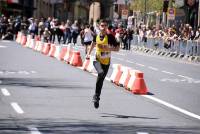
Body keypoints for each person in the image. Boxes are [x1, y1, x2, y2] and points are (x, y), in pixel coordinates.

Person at [86, 19, 120, 109]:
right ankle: (96, 96)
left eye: (105, 25)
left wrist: (108, 48)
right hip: (97, 59)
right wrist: (88, 53)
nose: (103, 27)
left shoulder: (110, 37)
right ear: (99, 27)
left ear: (107, 27)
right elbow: (93, 44)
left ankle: (96, 97)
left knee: (100, 79)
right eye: (102, 25)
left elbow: (117, 48)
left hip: (106, 62)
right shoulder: (96, 36)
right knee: (100, 73)